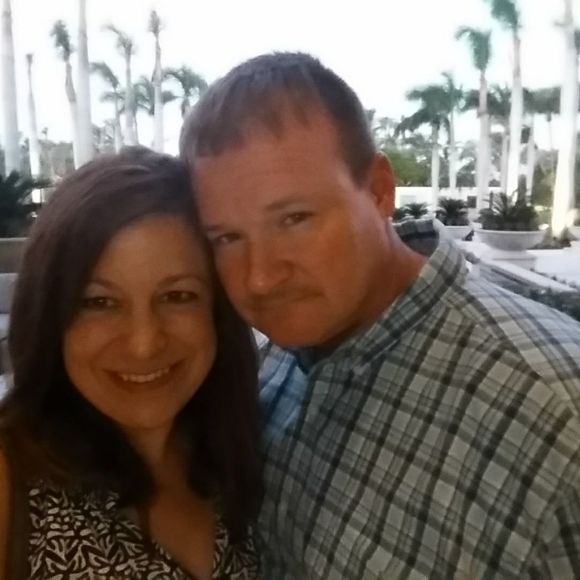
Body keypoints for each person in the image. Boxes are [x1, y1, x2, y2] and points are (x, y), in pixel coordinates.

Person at [180, 52, 580, 579]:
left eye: (295, 219)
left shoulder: (553, 416)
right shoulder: (277, 360)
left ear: (378, 190)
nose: (259, 278)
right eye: (227, 238)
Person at [0, 147, 261, 579]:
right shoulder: (12, 476)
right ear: (50, 315)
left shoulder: (239, 454)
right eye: (99, 302)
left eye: (177, 296)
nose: (143, 344)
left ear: (218, 312)